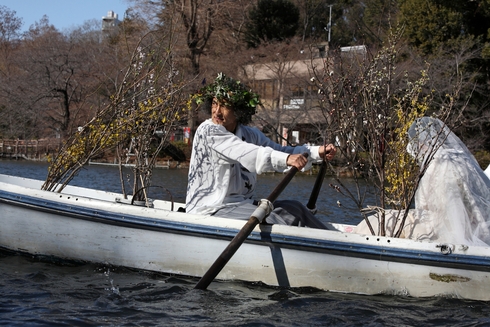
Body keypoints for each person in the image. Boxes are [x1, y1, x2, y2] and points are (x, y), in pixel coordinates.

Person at [185, 73, 336, 228]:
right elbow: (246, 152)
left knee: (295, 209)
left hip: (242, 205)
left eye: (225, 106)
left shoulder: (250, 134)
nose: (217, 112)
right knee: (274, 221)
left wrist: (317, 152)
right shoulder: (208, 131)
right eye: (214, 104)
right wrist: (286, 159)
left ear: (238, 110)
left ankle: (335, 242)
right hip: (210, 209)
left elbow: (280, 150)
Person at [356, 117, 490, 246]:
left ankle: (357, 238)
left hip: (440, 226)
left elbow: (428, 205)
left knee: (385, 218)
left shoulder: (437, 164)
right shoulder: (461, 158)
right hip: (472, 224)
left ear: (423, 143)